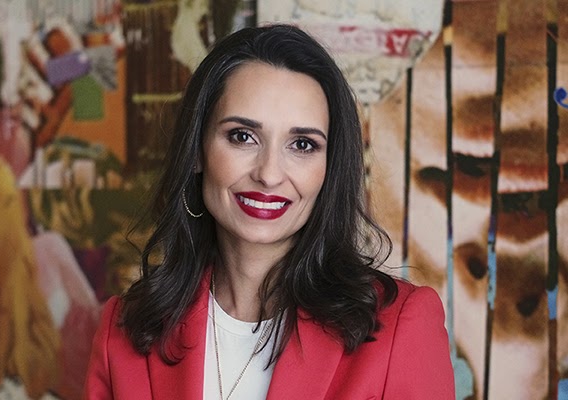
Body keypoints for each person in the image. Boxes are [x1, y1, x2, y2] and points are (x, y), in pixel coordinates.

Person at [84, 24, 455, 399]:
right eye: (243, 136)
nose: (269, 174)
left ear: (329, 167)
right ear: (196, 151)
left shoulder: (401, 327)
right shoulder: (124, 329)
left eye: (302, 144)